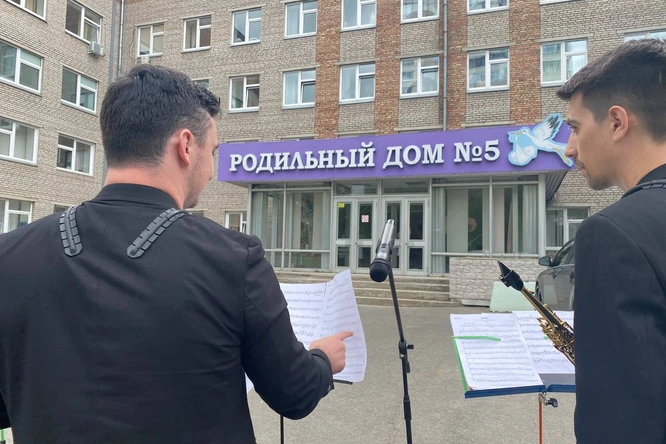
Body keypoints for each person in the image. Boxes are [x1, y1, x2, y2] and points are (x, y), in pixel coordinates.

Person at [0, 65, 352, 443]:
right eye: (212, 152)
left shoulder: (10, 255)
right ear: (185, 146)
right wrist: (322, 359)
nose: (213, 171)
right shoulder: (234, 259)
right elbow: (294, 392)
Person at [558, 38, 666, 443]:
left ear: (617, 122)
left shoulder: (612, 233)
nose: (569, 149)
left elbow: (618, 418)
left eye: (575, 128)